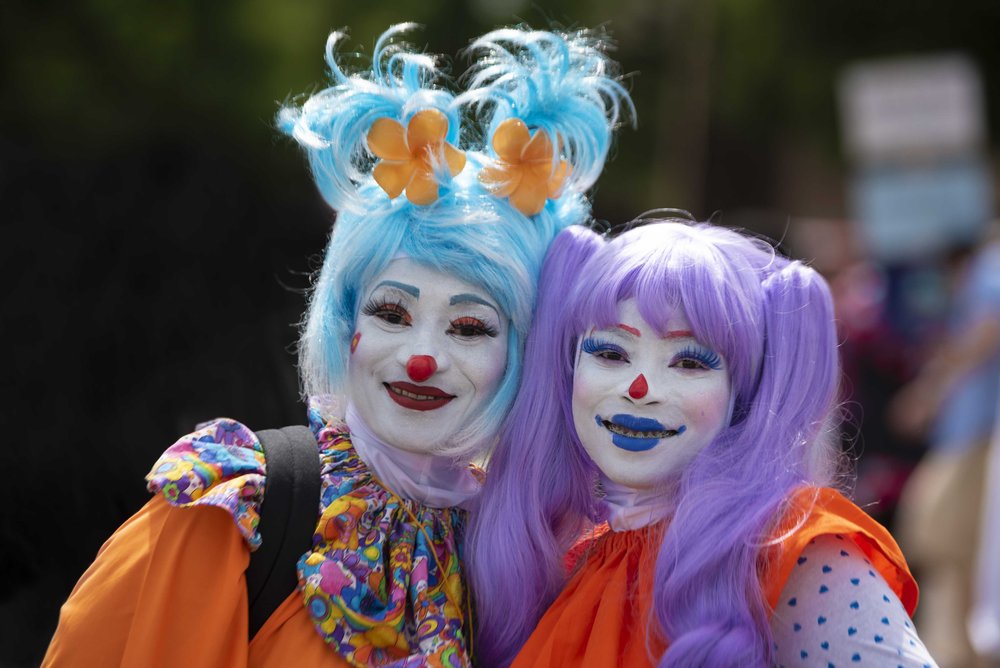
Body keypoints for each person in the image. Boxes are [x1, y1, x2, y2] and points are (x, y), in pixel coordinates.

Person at [43, 24, 631, 667]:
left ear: (518, 355)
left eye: (469, 328)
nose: (421, 357)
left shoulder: (511, 549)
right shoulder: (239, 508)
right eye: (390, 313)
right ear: (344, 323)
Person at [469, 220, 937, 666]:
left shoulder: (791, 551)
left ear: (743, 393)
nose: (639, 388)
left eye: (689, 362)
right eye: (611, 353)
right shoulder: (582, 559)